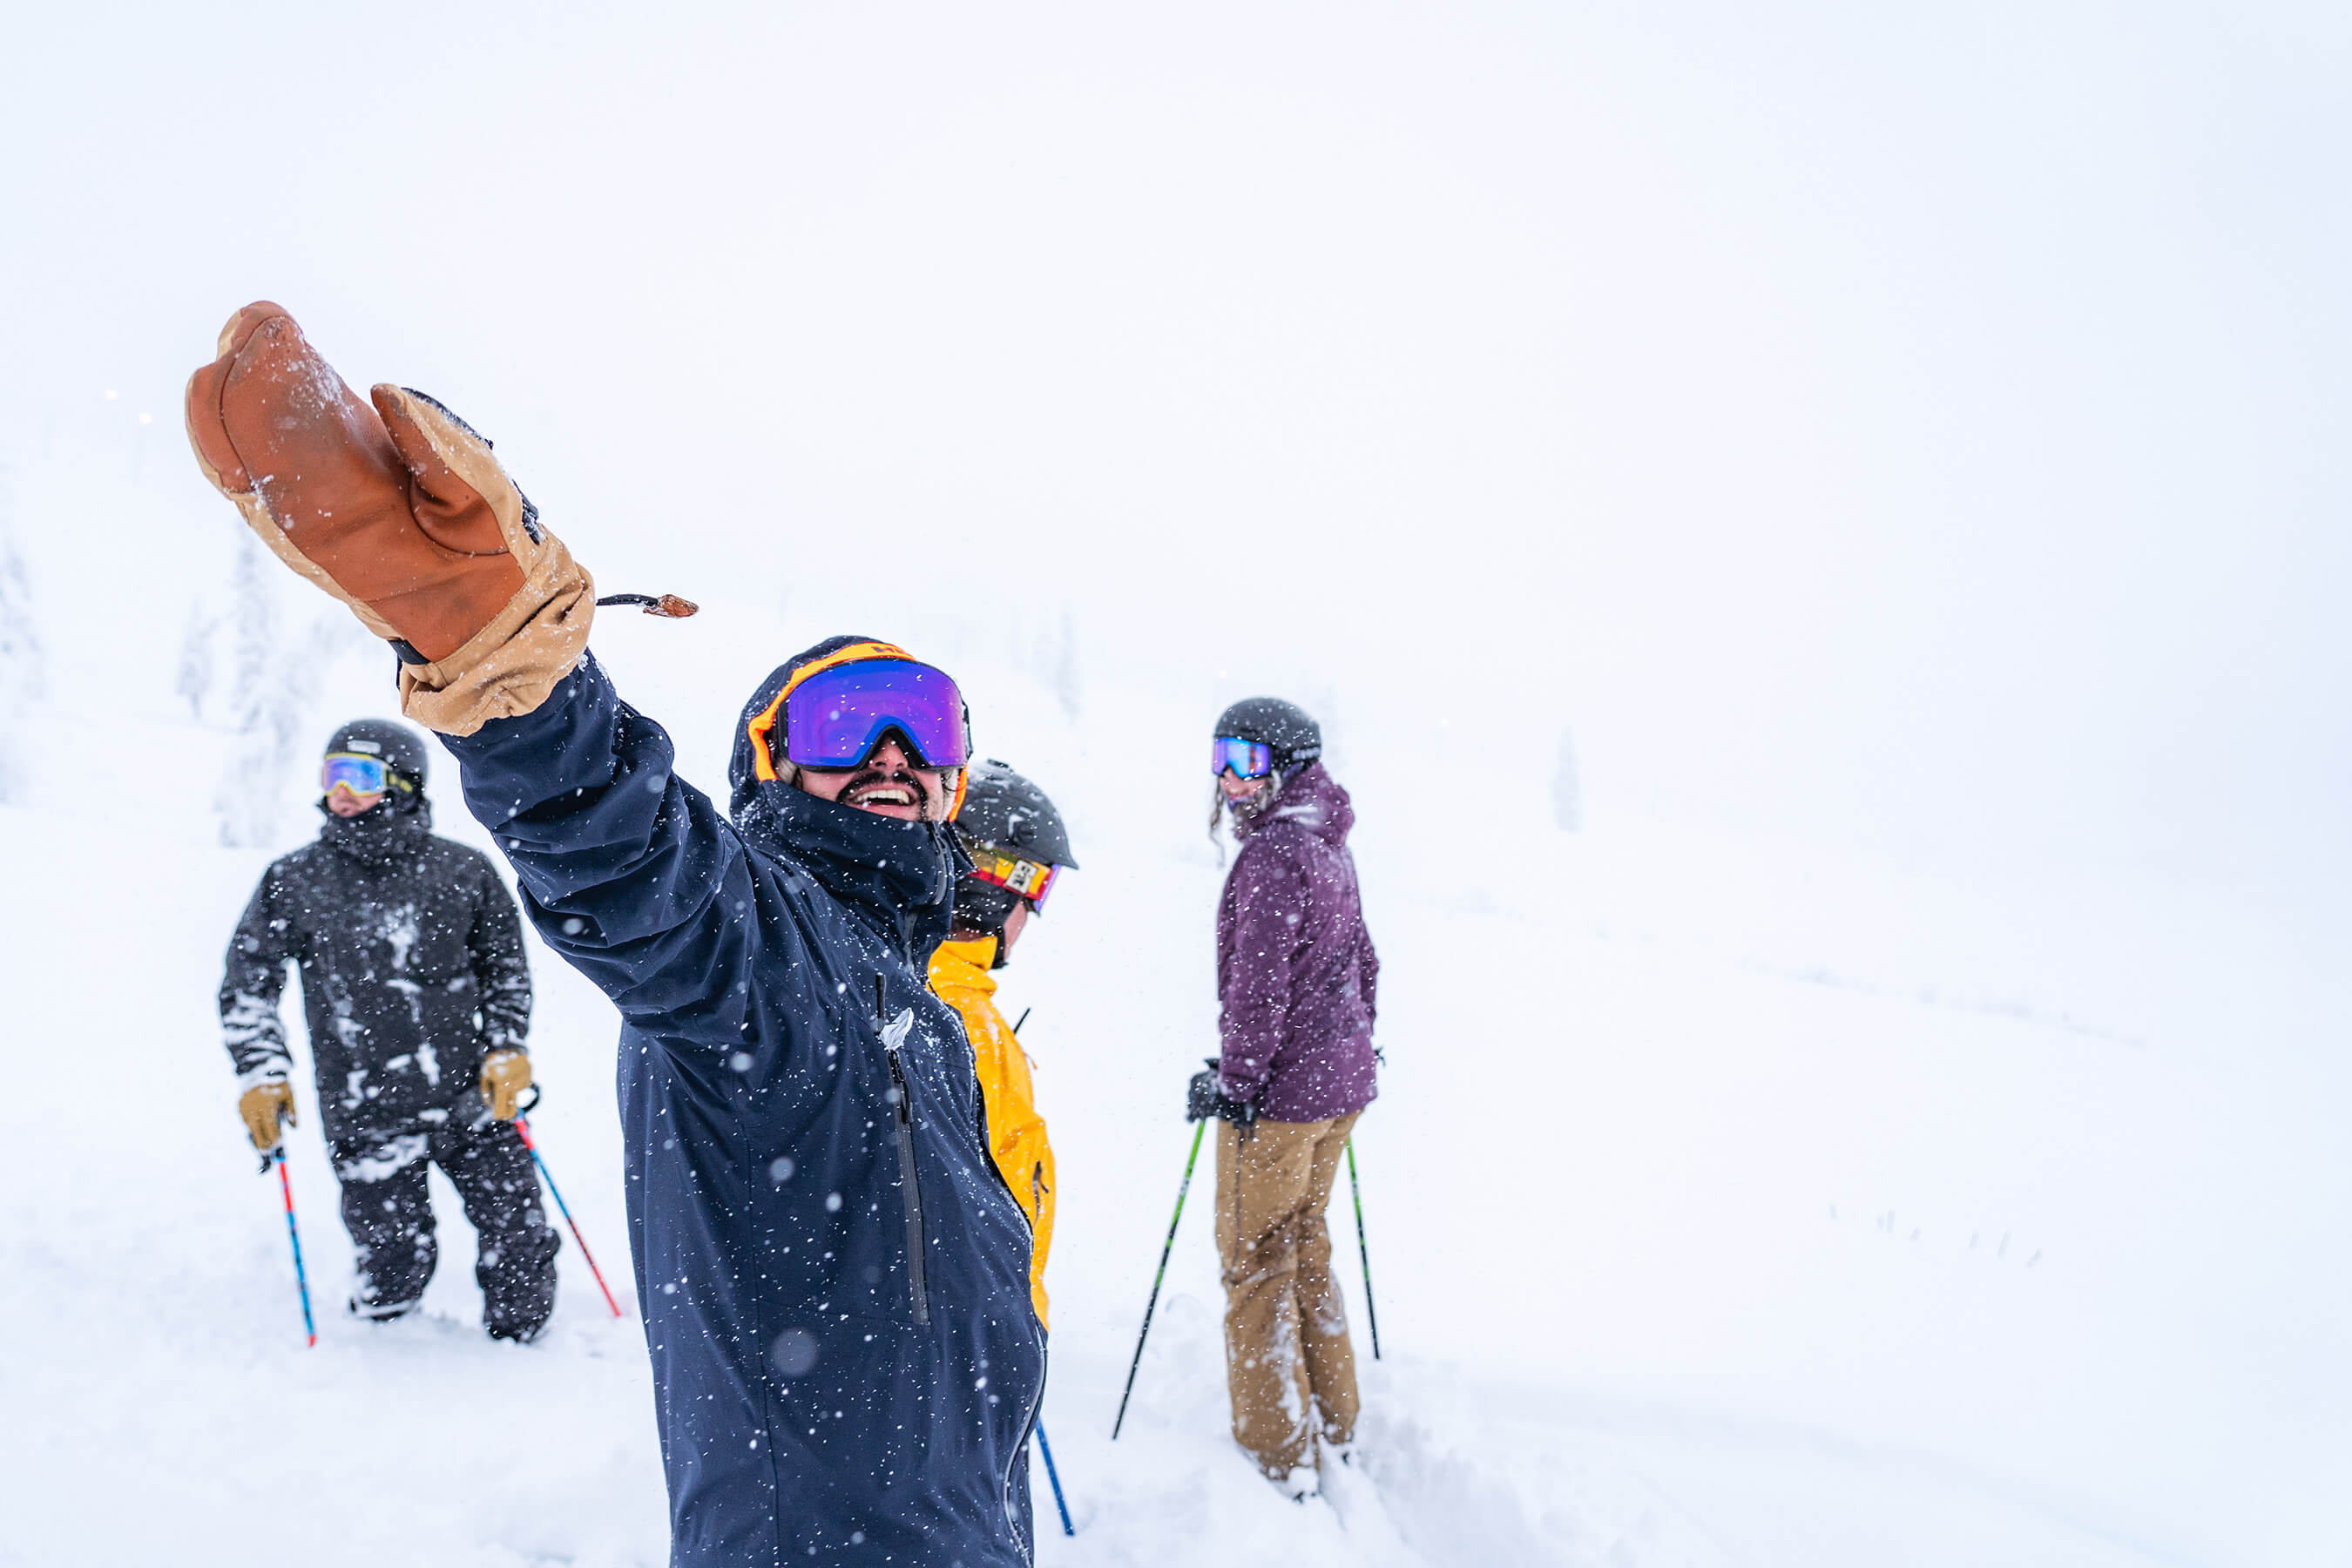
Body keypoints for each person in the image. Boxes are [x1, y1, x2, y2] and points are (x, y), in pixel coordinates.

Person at [186, 303, 1041, 1568]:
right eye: (846, 724)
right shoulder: (771, 954)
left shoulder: (912, 1002)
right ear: (767, 768)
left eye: (927, 726)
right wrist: (511, 670)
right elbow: (637, 864)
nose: (894, 761)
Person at [220, 718, 558, 1340]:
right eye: (332, 775)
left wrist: (507, 1044)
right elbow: (249, 984)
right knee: (393, 1258)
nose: (340, 791)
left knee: (521, 1237)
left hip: (470, 1095)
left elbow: (506, 968)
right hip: (364, 1105)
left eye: (359, 776)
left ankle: (528, 1355)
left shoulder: (464, 871)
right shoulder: (295, 880)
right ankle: (384, 1359)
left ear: (403, 784)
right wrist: (263, 1070)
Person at [1196, 696, 1380, 1494]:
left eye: (1248, 760)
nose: (1231, 779)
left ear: (1289, 764)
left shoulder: (1275, 854)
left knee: (1254, 1261)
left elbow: (1258, 987)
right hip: (1336, 1088)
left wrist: (1237, 1081)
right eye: (1221, 758)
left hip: (1279, 1099)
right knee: (1304, 1245)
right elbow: (1364, 965)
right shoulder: (1326, 843)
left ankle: (1278, 1452)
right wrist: (1348, 1046)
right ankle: (1335, 1420)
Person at [929, 760, 1078, 1329]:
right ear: (994, 889)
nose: (1035, 911)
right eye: (1037, 885)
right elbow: (997, 1231)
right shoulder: (968, 1028)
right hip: (977, 1353)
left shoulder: (896, 982)